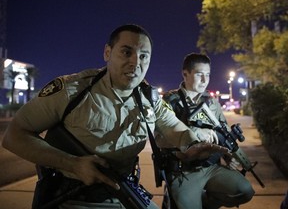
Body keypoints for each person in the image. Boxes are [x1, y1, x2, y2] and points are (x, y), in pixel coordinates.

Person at [2, 25, 229, 209]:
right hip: (71, 198)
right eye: (126, 52)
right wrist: (73, 164)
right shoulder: (73, 91)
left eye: (144, 56)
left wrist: (192, 144)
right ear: (107, 53)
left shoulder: (149, 98)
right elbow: (14, 136)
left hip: (124, 192)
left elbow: (176, 130)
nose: (135, 62)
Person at [157, 53, 255, 209]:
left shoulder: (211, 101)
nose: (204, 80)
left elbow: (223, 132)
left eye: (208, 75)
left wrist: (229, 156)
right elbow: (158, 138)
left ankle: (205, 202)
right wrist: (193, 132)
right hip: (183, 172)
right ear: (185, 74)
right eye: (199, 74)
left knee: (245, 191)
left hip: (210, 167)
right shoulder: (170, 101)